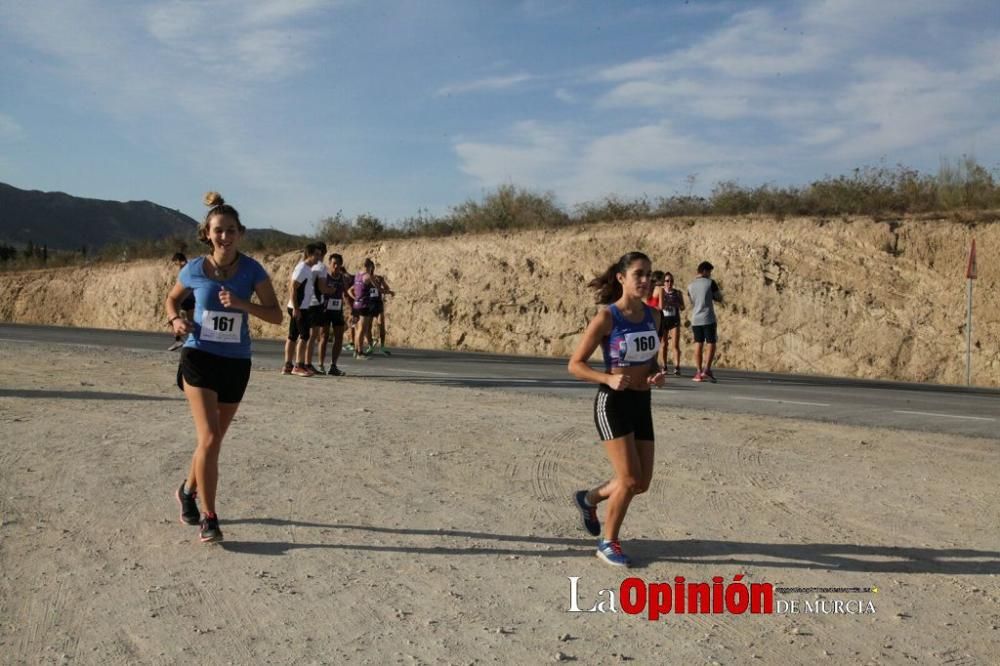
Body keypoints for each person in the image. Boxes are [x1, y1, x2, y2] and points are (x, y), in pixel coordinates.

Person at [164, 192, 282, 543]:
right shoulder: (195, 268)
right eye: (218, 230)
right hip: (198, 357)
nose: (224, 237)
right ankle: (209, 517)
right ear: (207, 233)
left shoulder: (252, 270)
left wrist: (243, 303)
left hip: (235, 362)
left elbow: (276, 315)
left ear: (240, 233)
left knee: (211, 444)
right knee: (211, 438)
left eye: (231, 230)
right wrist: (175, 320)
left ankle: (186, 491)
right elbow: (172, 298)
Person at [568, 251, 667, 567]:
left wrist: (656, 373)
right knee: (626, 479)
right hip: (612, 404)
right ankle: (607, 542)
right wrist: (607, 378)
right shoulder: (607, 317)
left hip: (642, 402)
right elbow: (575, 365)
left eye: (649, 274)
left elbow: (651, 358)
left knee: (640, 483)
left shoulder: (654, 316)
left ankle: (589, 498)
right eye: (638, 274)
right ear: (622, 278)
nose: (645, 280)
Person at [283, 243, 322, 377]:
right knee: (304, 336)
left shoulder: (306, 269)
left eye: (320, 254)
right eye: (316, 254)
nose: (319, 257)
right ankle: (298, 366)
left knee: (292, 336)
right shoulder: (302, 269)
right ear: (309, 255)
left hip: (299, 307)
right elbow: (293, 288)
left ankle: (288, 365)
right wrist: (296, 308)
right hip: (299, 308)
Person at [687, 261, 723, 382]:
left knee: (698, 343)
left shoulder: (690, 286)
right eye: (709, 272)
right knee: (711, 343)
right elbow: (719, 297)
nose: (710, 275)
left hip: (695, 319)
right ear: (704, 271)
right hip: (708, 318)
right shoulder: (710, 283)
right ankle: (706, 369)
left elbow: (692, 301)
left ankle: (698, 371)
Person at [317, 252, 351, 375]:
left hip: (337, 311)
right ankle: (320, 365)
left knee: (339, 337)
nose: (336, 266)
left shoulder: (342, 278)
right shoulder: (324, 277)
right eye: (334, 264)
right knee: (324, 337)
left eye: (338, 264)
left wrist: (351, 309)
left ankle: (333, 366)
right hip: (325, 310)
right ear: (330, 264)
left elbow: (345, 294)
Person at [347, 258, 376, 360]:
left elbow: (350, 290)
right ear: (370, 266)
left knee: (357, 329)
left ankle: (356, 350)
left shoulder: (357, 275)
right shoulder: (368, 276)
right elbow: (377, 287)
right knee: (362, 330)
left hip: (356, 305)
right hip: (364, 306)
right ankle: (359, 352)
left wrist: (355, 298)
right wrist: (388, 291)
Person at [167, 253, 196, 352]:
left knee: (175, 317)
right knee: (190, 321)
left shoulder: (187, 269)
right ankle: (186, 340)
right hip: (190, 298)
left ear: (179, 261)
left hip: (186, 298)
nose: (176, 266)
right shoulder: (189, 268)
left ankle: (180, 339)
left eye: (176, 263)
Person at [659, 272, 685, 375]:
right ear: (664, 282)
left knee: (675, 345)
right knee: (664, 344)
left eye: (671, 281)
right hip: (663, 320)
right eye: (667, 281)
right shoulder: (661, 292)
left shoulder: (677, 293)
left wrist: (676, 304)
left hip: (674, 320)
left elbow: (683, 307)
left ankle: (677, 367)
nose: (669, 283)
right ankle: (664, 366)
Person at [370, 272, 394, 355]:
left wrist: (382, 281)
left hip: (378, 305)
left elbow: (386, 288)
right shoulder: (366, 279)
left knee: (381, 325)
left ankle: (382, 347)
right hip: (369, 305)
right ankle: (371, 345)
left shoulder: (378, 278)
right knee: (369, 326)